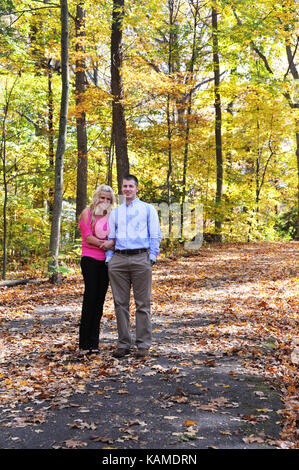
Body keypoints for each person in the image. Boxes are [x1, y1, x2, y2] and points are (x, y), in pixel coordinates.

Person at [106, 175, 161, 359]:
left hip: (140, 259)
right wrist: (109, 259)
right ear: (121, 189)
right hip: (119, 260)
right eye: (124, 186)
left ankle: (143, 345)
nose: (127, 189)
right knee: (120, 304)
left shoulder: (147, 209)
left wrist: (151, 257)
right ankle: (123, 344)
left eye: (131, 186)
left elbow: (155, 234)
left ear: (137, 188)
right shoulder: (116, 212)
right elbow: (110, 237)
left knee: (142, 304)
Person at [78, 184, 115, 356]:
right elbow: (87, 236)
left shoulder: (112, 216)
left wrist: (111, 244)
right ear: (96, 197)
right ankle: (84, 343)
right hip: (90, 259)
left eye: (108, 199)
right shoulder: (87, 213)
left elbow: (116, 236)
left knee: (99, 301)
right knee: (90, 298)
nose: (105, 201)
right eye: (102, 198)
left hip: (106, 261)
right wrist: (105, 244)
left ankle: (94, 342)